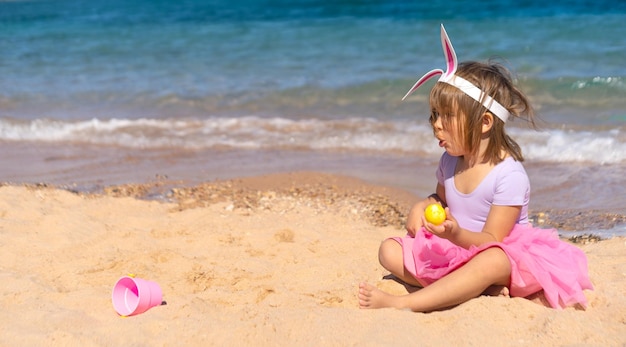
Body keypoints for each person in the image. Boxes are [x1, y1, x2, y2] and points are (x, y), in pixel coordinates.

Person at [358, 25, 593, 312]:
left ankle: (406, 303)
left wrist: (454, 235)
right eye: (434, 115)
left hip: (500, 254)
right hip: (457, 247)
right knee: (389, 250)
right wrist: (423, 204)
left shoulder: (509, 175)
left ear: (484, 123)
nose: (436, 125)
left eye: (447, 116)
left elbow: (493, 239)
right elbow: (441, 199)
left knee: (492, 260)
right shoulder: (450, 160)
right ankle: (468, 289)